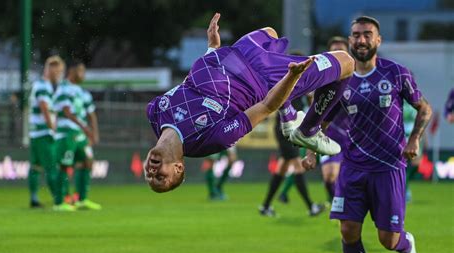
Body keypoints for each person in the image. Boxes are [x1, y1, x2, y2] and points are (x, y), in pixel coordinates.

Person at [145, 13, 354, 193]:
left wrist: (212, 49)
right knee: (346, 62)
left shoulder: (155, 112)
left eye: (149, 176)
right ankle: (308, 129)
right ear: (178, 168)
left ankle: (293, 120)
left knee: (270, 31)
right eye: (160, 178)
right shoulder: (209, 139)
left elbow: (189, 86)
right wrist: (292, 77)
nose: (152, 173)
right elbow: (265, 107)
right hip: (266, 77)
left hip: (234, 53)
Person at [304, 16, 432, 253]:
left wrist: (414, 138)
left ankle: (407, 245)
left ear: (378, 40)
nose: (361, 40)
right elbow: (323, 120)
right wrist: (311, 151)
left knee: (389, 240)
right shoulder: (340, 81)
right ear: (350, 40)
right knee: (348, 231)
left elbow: (424, 108)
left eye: (367, 34)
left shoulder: (395, 72)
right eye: (356, 35)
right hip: (353, 166)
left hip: (388, 166)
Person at [260, 97, 325, 217]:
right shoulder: (295, 85)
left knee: (282, 168)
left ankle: (265, 206)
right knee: (298, 166)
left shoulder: (299, 85)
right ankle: (311, 207)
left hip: (288, 128)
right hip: (286, 128)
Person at [53, 60, 101, 211]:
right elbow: (67, 112)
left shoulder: (83, 92)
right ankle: (60, 203)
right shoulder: (64, 89)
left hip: (80, 133)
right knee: (64, 165)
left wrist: (94, 133)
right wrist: (86, 128)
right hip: (67, 133)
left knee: (88, 162)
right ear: (72, 71)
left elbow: (91, 114)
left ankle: (81, 199)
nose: (83, 75)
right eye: (80, 71)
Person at [27, 55, 64, 208]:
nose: (59, 75)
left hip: (35, 133)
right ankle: (58, 199)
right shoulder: (44, 86)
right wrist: (52, 127)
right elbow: (44, 107)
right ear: (51, 70)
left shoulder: (39, 85)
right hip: (43, 133)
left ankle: (34, 198)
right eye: (58, 72)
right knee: (51, 167)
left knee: (35, 167)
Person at [319, 36, 350, 204]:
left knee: (345, 177)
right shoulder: (321, 79)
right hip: (328, 135)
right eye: (334, 51)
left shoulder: (356, 79)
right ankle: (335, 204)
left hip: (351, 138)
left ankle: (343, 206)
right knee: (329, 177)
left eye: (341, 51)